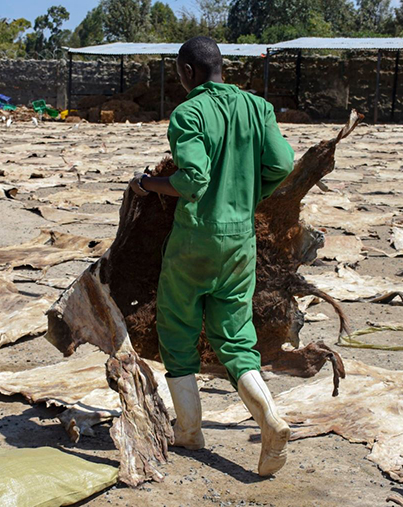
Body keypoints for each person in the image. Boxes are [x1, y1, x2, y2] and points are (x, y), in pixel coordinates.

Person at [128, 36, 296, 476]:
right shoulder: (258, 108)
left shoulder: (189, 113)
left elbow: (192, 181)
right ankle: (270, 418)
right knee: (236, 337)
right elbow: (282, 164)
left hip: (194, 241)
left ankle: (190, 431)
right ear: (222, 66)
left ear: (187, 72)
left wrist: (146, 184)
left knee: (178, 327)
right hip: (241, 241)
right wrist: (247, 196)